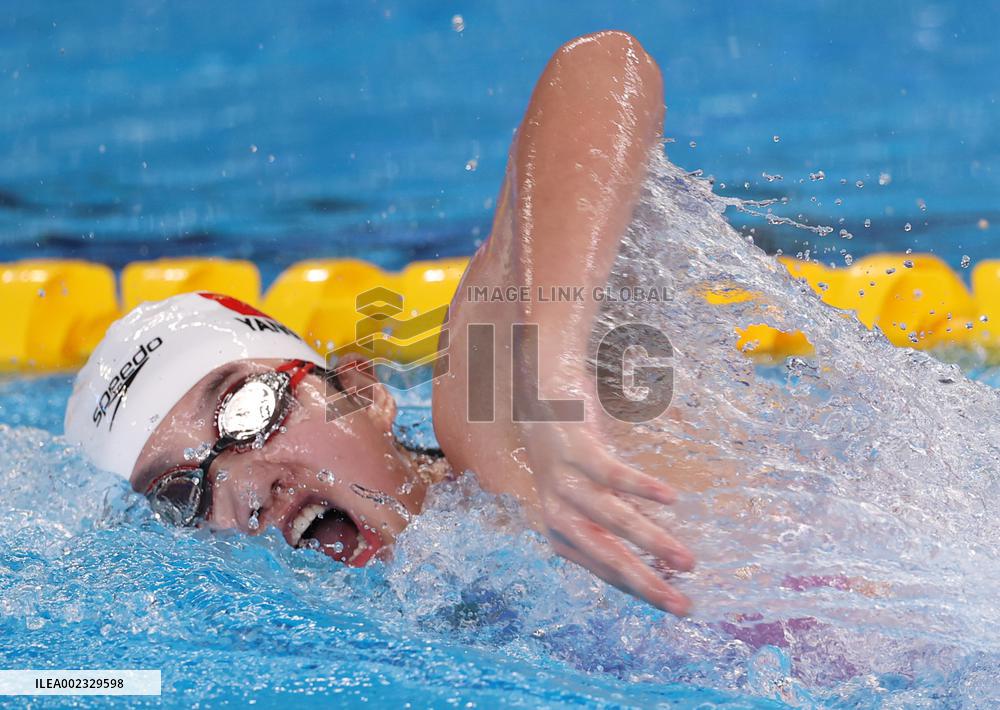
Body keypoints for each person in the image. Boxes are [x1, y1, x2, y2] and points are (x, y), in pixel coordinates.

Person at [65, 31, 694, 617]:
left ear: (364, 393)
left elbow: (604, 67)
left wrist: (550, 366)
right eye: (183, 498)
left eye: (248, 409)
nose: (248, 489)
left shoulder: (497, 440)